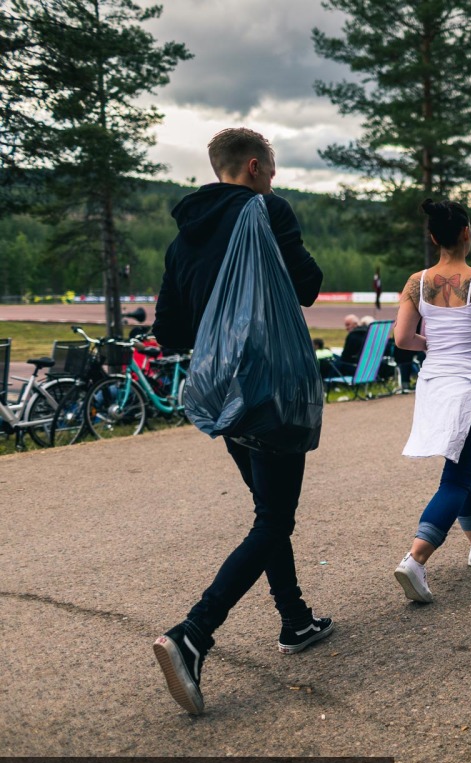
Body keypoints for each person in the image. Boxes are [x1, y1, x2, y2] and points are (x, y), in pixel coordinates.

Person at [151, 127, 332, 716]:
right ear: (254, 167)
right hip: (273, 390)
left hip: (224, 395)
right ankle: (192, 635)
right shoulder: (265, 211)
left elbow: (171, 333)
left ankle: (295, 621)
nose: (272, 182)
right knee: (275, 518)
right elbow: (307, 287)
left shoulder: (183, 240)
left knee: (268, 516)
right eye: (271, 173)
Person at [392, 199, 471, 604]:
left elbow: (402, 339)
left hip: (434, 383)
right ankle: (416, 557)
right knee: (457, 478)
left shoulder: (417, 281)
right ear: (468, 234)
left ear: (434, 238)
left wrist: (431, 343)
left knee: (461, 464)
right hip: (470, 385)